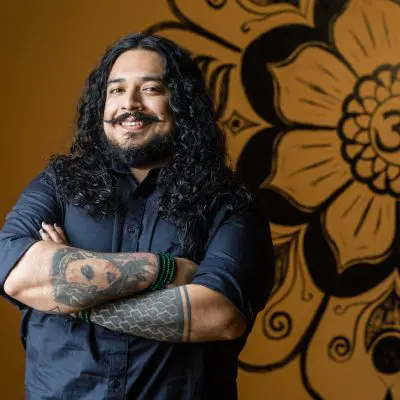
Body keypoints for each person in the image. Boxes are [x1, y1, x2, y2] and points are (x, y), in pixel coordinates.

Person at [0, 34, 274, 399]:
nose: (129, 104)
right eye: (115, 91)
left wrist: (72, 295)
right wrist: (165, 270)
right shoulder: (57, 185)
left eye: (150, 89)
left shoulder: (229, 202)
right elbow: (17, 276)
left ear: (182, 102)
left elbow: (219, 315)